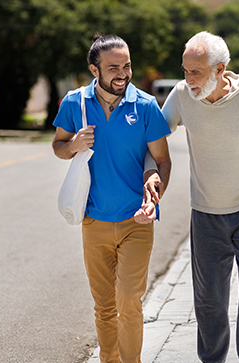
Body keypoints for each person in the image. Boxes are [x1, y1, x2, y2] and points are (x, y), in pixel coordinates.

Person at [143, 31, 239, 363]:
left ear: (220, 69)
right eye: (185, 70)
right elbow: (153, 139)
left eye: (196, 72)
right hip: (206, 214)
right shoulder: (181, 96)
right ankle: (212, 359)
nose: (188, 79)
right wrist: (151, 170)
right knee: (209, 297)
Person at [52, 34, 171, 363]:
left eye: (127, 66)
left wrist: (155, 193)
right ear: (95, 69)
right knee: (105, 307)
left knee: (129, 300)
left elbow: (161, 160)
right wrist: (74, 144)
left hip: (137, 221)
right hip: (94, 221)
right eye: (114, 67)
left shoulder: (146, 106)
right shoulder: (74, 103)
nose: (123, 73)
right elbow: (58, 146)